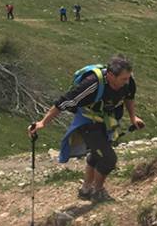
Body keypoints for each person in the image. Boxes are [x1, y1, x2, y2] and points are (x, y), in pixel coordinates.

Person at [28, 55, 145, 202]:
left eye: (128, 78)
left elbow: (129, 97)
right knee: (108, 159)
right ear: (110, 75)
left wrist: (133, 117)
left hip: (107, 121)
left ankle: (85, 190)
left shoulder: (128, 82)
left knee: (97, 154)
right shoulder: (92, 84)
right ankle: (98, 192)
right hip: (88, 123)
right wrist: (43, 122)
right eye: (123, 79)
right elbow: (64, 102)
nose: (127, 82)